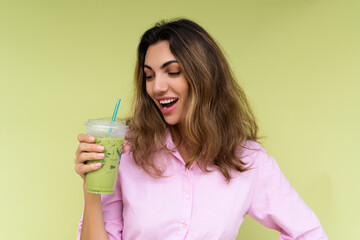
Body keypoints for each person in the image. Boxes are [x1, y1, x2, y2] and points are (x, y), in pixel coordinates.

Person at [75, 19, 328, 240]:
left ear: (203, 77)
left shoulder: (248, 160)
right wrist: (91, 187)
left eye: (172, 72)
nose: (157, 87)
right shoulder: (126, 149)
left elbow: (308, 234)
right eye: (149, 76)